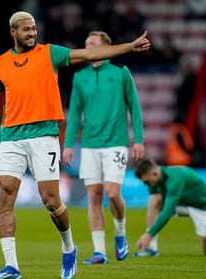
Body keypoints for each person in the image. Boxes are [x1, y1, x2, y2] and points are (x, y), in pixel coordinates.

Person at [0, 11, 150, 279]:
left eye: (34, 29)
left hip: (44, 136)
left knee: (51, 202)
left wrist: (129, 46)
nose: (32, 33)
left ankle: (69, 247)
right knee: (4, 198)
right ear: (13, 32)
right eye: (26, 30)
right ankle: (12, 266)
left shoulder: (50, 53)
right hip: (11, 137)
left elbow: (89, 55)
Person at [62, 30, 144, 265]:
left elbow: (134, 107)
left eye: (93, 44)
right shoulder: (80, 77)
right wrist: (68, 145)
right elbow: (75, 113)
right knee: (94, 197)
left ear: (107, 48)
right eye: (86, 44)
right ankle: (99, 251)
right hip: (89, 145)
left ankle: (120, 231)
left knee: (112, 193)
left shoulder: (120, 73)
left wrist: (138, 139)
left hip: (116, 143)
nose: (88, 48)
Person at [132, 158, 206, 257]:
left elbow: (167, 211)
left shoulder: (175, 178)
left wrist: (149, 234)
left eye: (146, 182)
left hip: (203, 207)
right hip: (184, 204)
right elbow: (157, 205)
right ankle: (151, 248)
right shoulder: (154, 182)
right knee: (154, 200)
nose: (146, 185)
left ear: (155, 173)